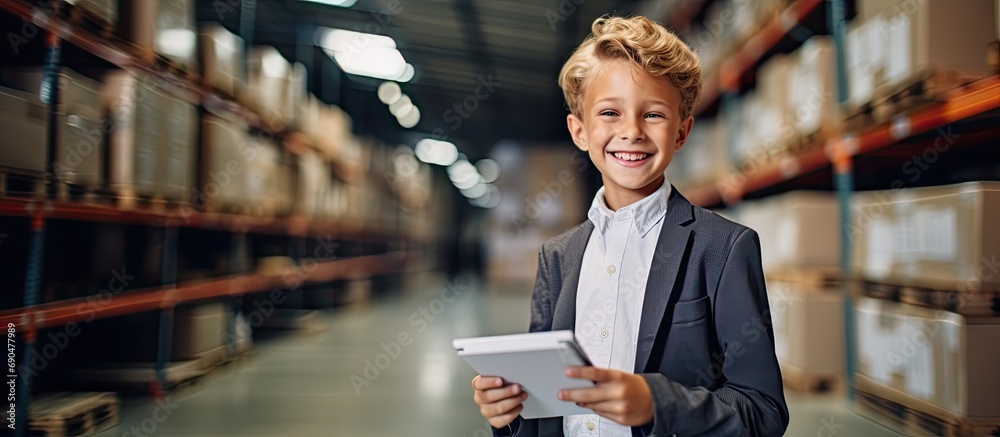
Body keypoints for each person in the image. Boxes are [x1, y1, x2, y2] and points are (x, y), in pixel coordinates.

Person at [470, 15, 789, 437]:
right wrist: (508, 414)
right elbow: (543, 409)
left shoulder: (723, 248)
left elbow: (761, 412)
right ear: (580, 131)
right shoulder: (558, 257)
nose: (632, 131)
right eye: (609, 112)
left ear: (681, 132)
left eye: (654, 114)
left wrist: (657, 404)